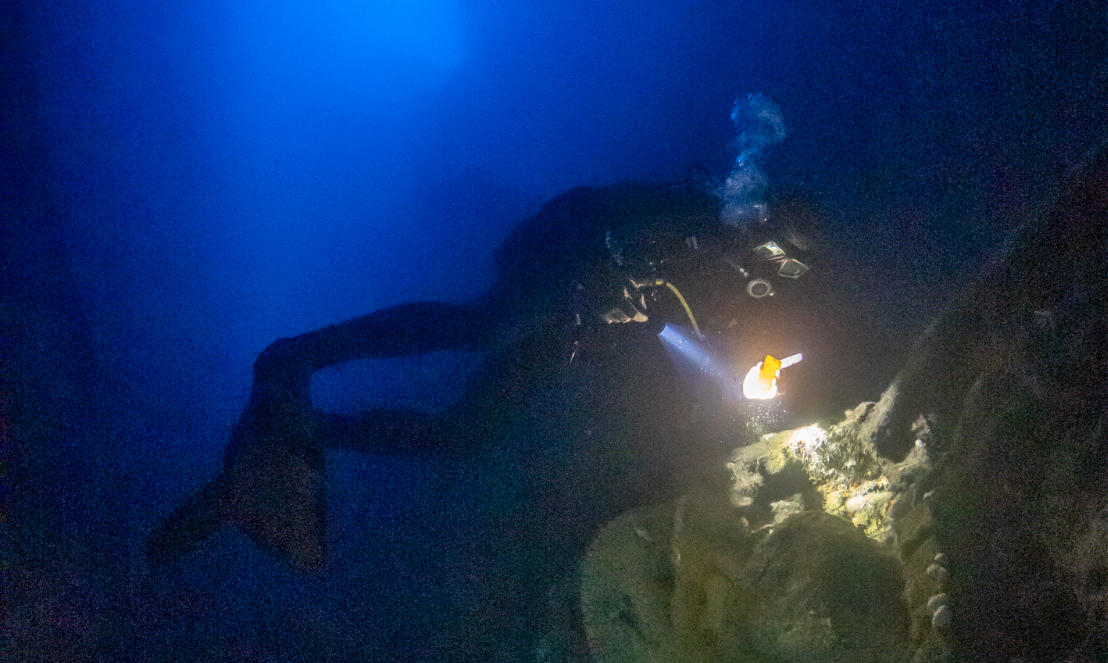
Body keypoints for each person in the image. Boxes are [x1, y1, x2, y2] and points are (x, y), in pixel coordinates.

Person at [147, 176, 819, 573]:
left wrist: (759, 383)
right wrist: (615, 279)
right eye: (777, 255)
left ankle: (312, 429)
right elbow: (615, 227)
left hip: (581, 328)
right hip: (564, 275)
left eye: (789, 272)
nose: (773, 275)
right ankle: (302, 353)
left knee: (470, 434)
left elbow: (728, 357)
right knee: (484, 328)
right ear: (759, 223)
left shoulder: (738, 292)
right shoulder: (691, 216)